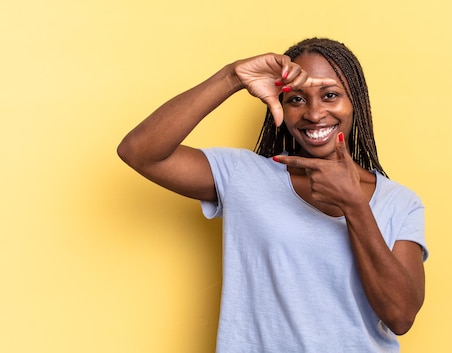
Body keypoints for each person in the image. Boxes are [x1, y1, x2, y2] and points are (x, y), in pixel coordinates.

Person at [118, 37, 428, 352]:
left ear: (355, 103)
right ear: (279, 104)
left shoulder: (399, 202)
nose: (314, 113)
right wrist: (231, 77)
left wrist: (354, 205)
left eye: (330, 95)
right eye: (296, 99)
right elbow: (139, 152)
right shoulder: (244, 175)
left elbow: (400, 317)